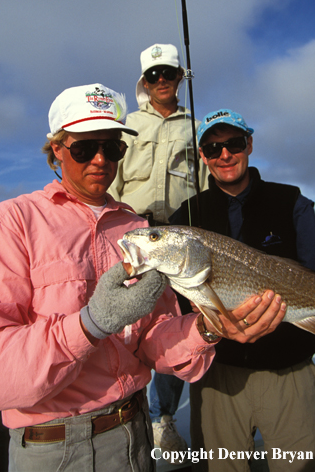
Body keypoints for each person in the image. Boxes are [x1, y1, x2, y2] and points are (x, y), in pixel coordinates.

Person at [0, 85, 285, 472]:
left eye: (112, 147)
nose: (100, 160)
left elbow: (154, 340)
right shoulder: (10, 224)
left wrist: (210, 327)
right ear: (57, 150)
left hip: (136, 434)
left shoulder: (138, 228)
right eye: (84, 148)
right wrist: (89, 325)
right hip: (55, 448)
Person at [170, 107, 315, 472]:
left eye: (234, 143)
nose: (224, 154)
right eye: (212, 148)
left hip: (288, 373)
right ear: (204, 158)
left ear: (249, 144)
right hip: (217, 376)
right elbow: (179, 298)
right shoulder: (187, 218)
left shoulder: (292, 202)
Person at [109, 43, 209, 451]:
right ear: (143, 82)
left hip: (180, 239)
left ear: (180, 77)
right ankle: (121, 408)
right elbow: (112, 183)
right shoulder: (127, 124)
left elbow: (205, 185)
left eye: (169, 73)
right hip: (134, 233)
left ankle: (162, 417)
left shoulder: (197, 127)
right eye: (153, 75)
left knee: (174, 324)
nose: (162, 81)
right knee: (125, 324)